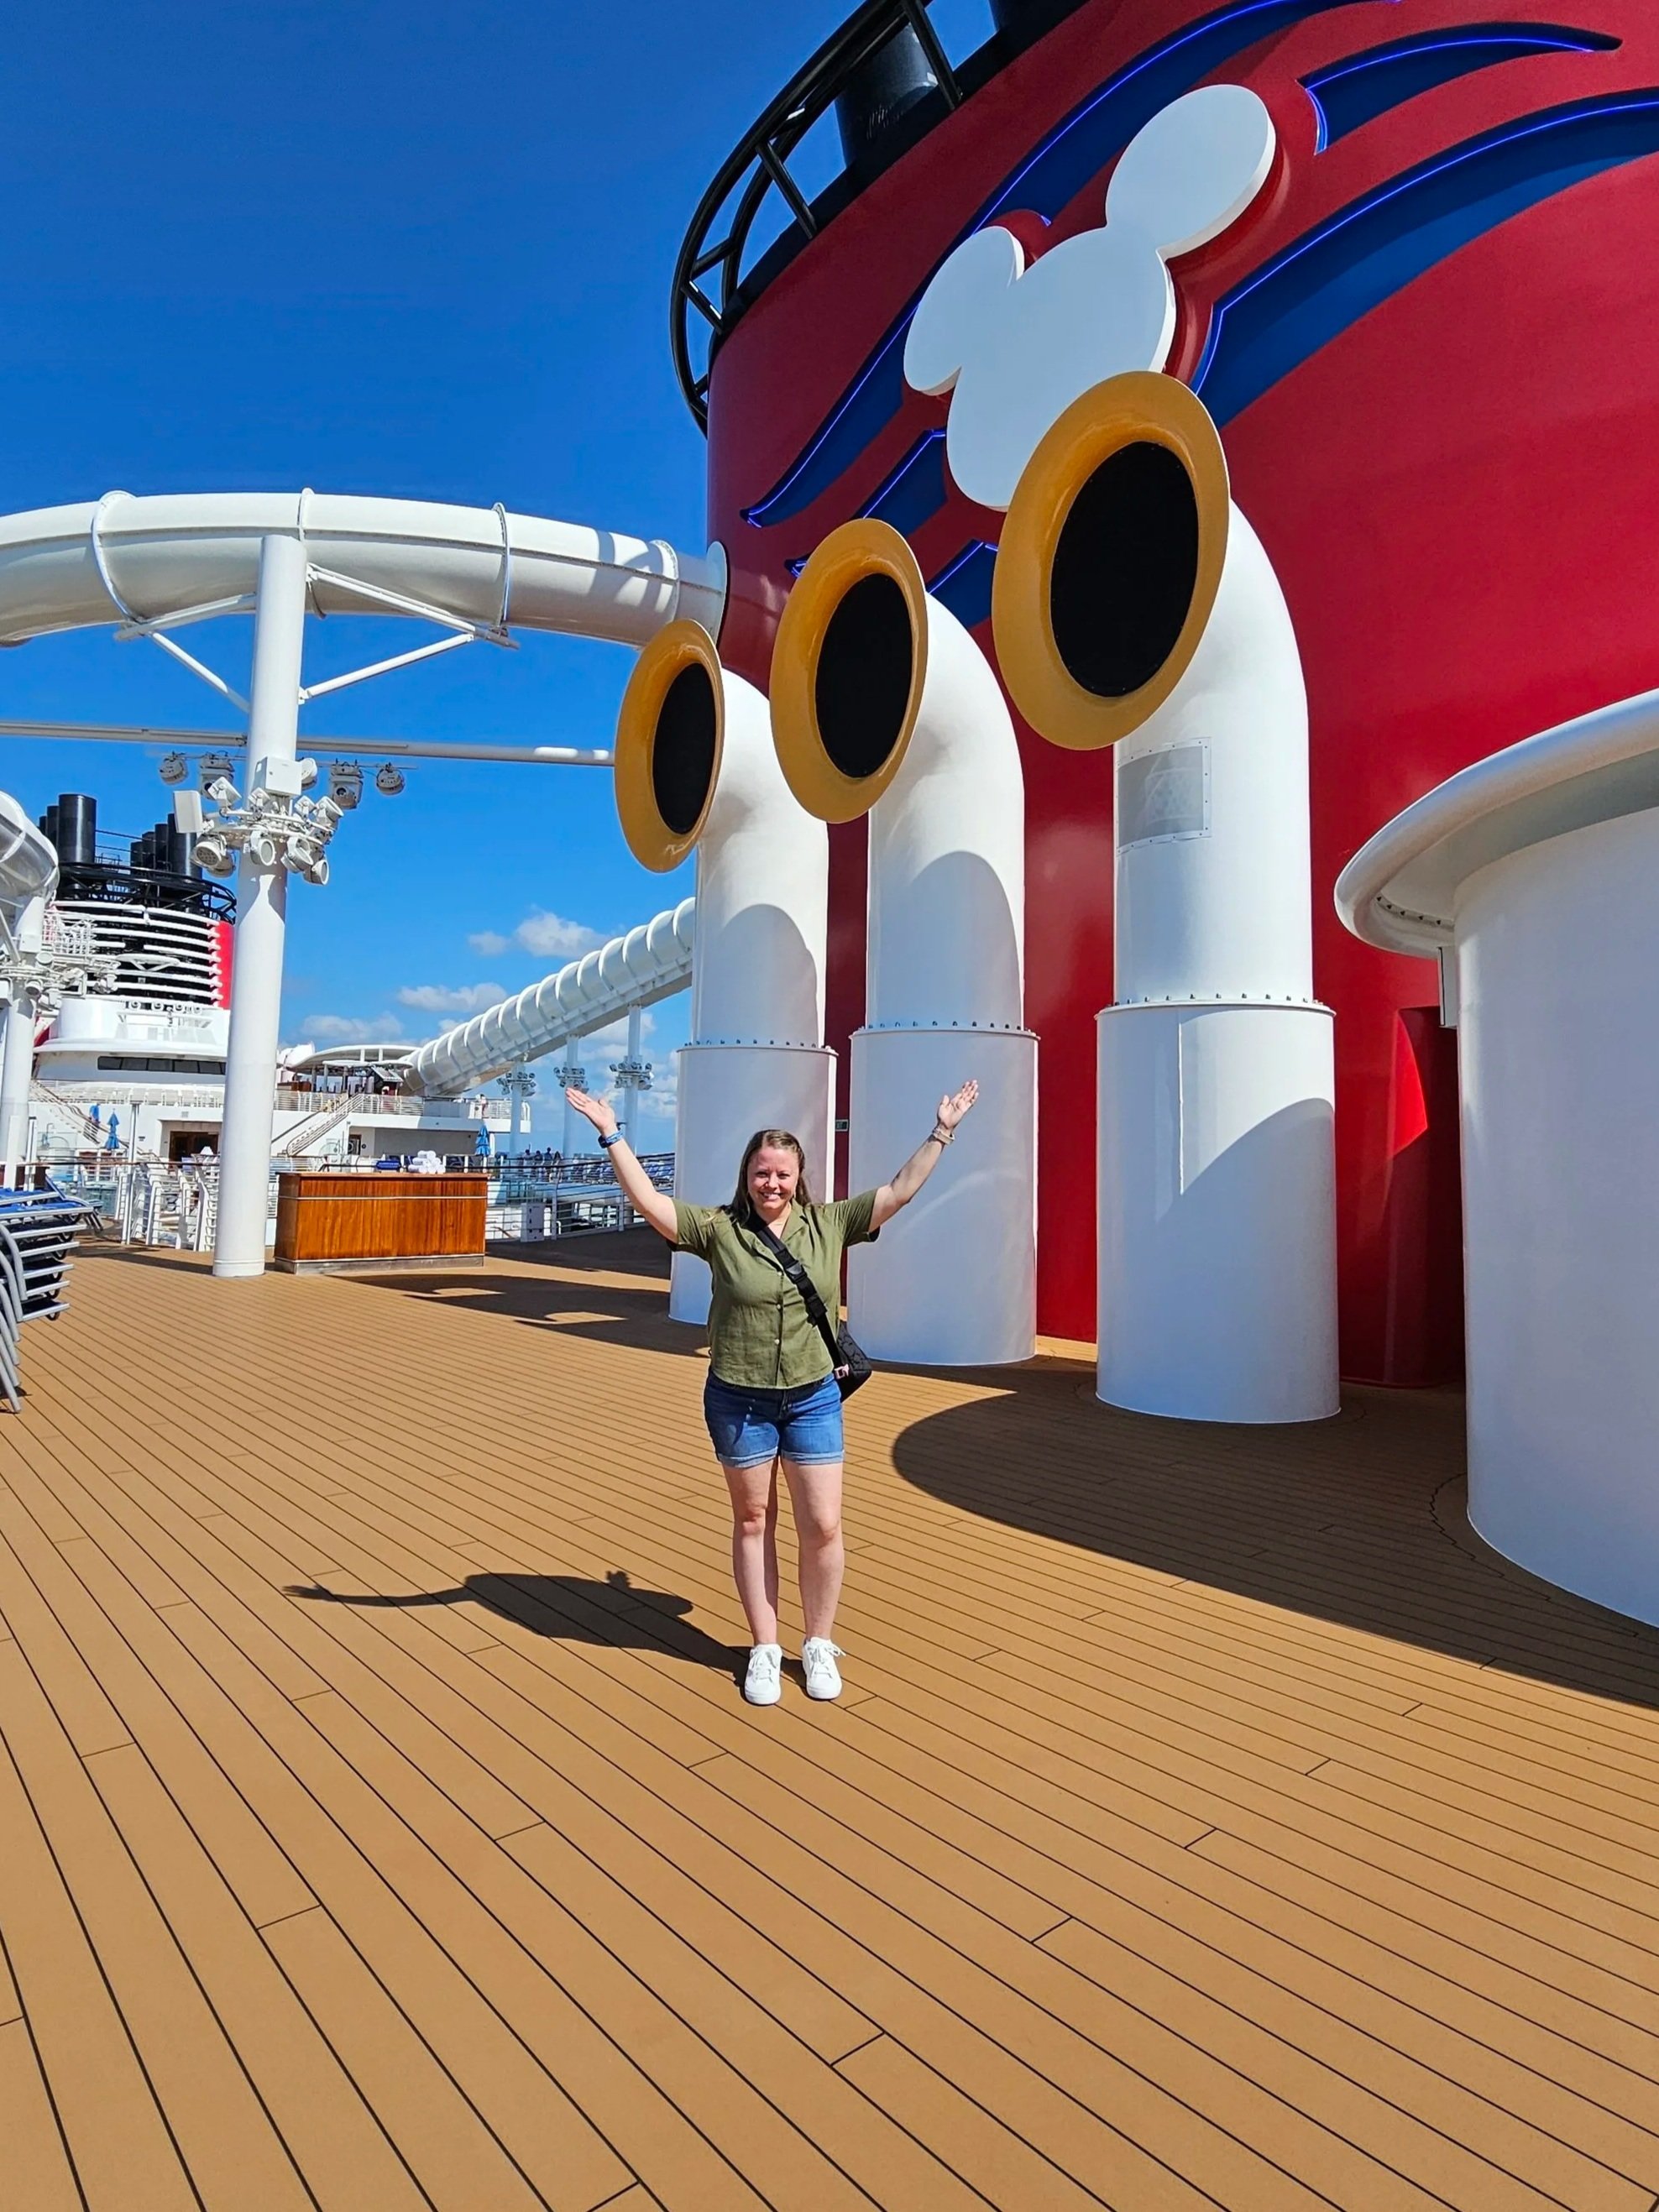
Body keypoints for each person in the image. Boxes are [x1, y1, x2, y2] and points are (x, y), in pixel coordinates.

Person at [563, 1079, 979, 1707]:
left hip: (813, 1396)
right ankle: (764, 1646)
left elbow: (898, 1191)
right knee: (753, 1519)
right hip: (740, 1399)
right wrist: (611, 1131)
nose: (772, 1184)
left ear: (799, 1176)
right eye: (762, 1172)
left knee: (824, 1523)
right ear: (747, 1175)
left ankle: (816, 1642)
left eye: (783, 1173)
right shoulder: (718, 1229)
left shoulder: (830, 1223)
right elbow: (649, 1200)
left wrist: (942, 1130)